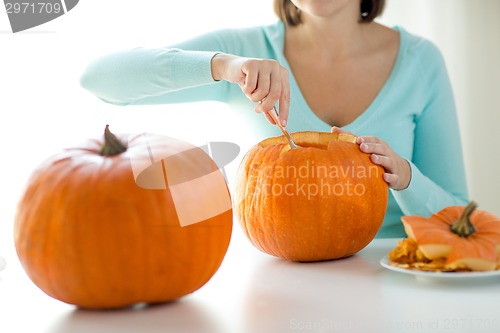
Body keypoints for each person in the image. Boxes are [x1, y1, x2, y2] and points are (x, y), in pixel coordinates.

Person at [80, 0, 468, 237]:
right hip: (278, 279)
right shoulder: (245, 51)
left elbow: (460, 218)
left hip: (394, 276)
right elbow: (99, 80)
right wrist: (223, 65)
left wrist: (405, 177)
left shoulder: (421, 61)